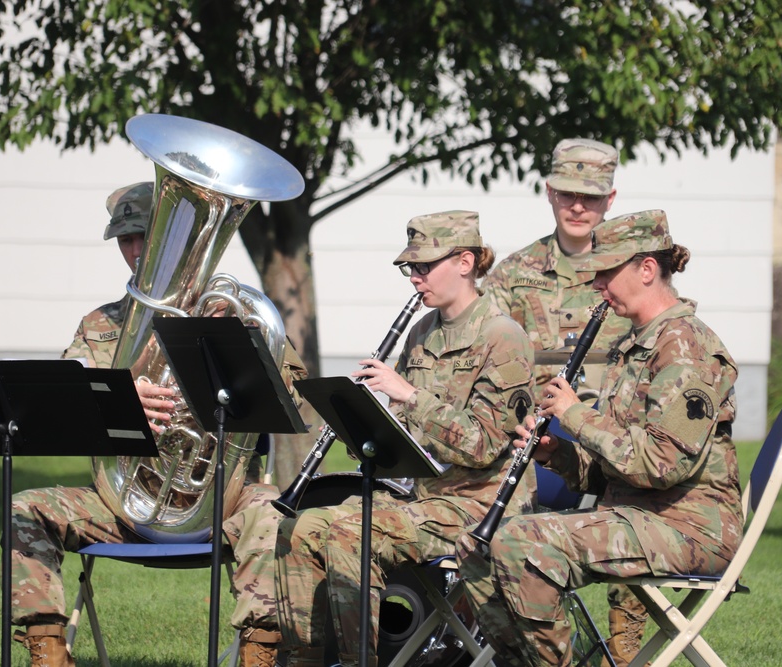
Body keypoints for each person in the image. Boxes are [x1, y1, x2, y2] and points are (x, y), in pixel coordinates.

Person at [10, 183, 307, 667]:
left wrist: (250, 358)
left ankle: (259, 653)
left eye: (145, 237)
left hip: (219, 502)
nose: (133, 252)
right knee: (25, 508)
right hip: (121, 503)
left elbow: (294, 404)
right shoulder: (99, 325)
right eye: (124, 240)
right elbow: (59, 405)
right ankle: (48, 650)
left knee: (275, 510)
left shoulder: (227, 314)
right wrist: (120, 395)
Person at [456, 209, 743, 667]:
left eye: (607, 272)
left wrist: (576, 415)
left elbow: (660, 465)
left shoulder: (687, 349)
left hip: (689, 526)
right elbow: (614, 469)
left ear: (647, 269)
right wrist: (558, 455)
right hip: (637, 512)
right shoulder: (637, 344)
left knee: (524, 543)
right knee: (476, 545)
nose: (596, 285)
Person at [274, 210, 536, 667]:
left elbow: (483, 445)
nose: (414, 278)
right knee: (299, 527)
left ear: (465, 262)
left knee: (348, 533)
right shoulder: (422, 332)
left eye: (424, 266)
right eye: (409, 268)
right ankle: (303, 660)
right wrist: (363, 422)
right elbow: (406, 435)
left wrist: (408, 395)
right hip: (423, 498)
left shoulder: (503, 337)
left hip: (480, 507)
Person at [481, 138, 646, 665]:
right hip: (540, 435)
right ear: (550, 192)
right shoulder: (514, 273)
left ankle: (624, 649)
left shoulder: (631, 272)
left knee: (637, 497)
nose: (580, 207)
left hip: (614, 433)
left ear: (611, 199)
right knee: (476, 494)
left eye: (592, 197)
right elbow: (490, 362)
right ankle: (499, 639)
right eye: (569, 194)